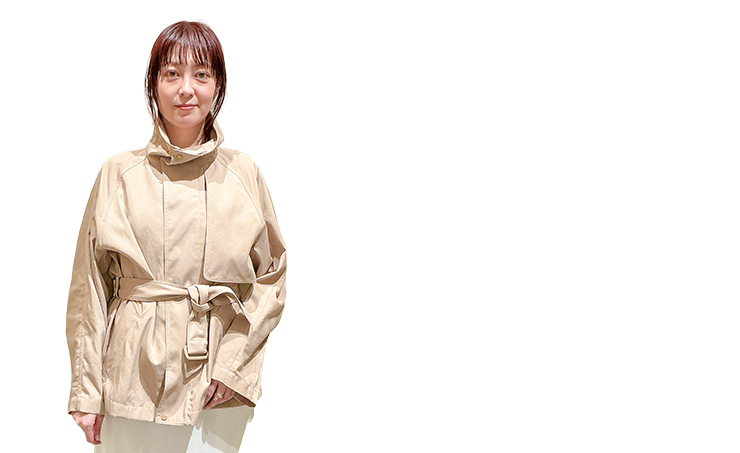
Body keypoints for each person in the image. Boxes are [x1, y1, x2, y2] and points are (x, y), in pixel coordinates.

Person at [66, 21, 287, 453]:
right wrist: (86, 392)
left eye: (201, 74)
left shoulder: (244, 174)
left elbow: (272, 277)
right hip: (132, 380)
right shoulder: (120, 173)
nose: (186, 89)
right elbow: (89, 286)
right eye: (172, 73)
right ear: (154, 84)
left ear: (218, 85)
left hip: (217, 385)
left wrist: (234, 366)